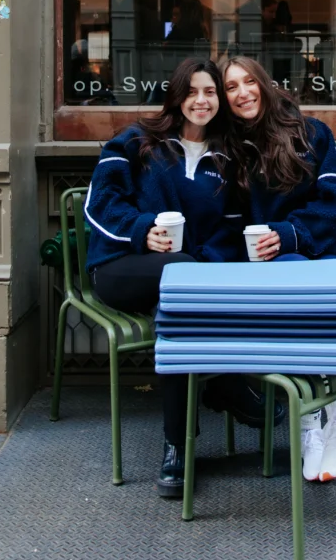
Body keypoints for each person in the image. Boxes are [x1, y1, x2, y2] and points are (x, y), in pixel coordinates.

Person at [84, 57, 279, 498]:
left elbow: (231, 230)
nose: (201, 100)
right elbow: (101, 202)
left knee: (176, 308)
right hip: (121, 268)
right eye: (191, 92)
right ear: (176, 96)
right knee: (182, 282)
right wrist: (141, 231)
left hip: (185, 279)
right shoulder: (137, 141)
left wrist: (203, 260)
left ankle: (177, 447)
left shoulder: (230, 159)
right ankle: (229, 383)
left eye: (210, 92)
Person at [221, 55, 336, 485]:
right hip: (277, 264)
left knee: (296, 289)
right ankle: (334, 415)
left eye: (249, 82)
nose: (242, 93)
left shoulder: (311, 132)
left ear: (264, 84)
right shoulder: (230, 150)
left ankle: (316, 422)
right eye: (231, 87)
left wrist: (290, 234)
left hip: (332, 252)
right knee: (285, 287)